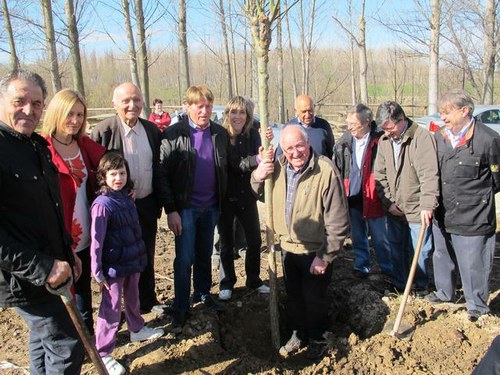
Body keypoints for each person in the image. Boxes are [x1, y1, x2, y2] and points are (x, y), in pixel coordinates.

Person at [0, 69, 85, 373]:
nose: (28, 110)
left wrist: (66, 251)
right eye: (19, 101)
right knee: (67, 346)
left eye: (36, 104)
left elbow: (49, 209)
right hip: (24, 277)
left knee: (42, 340)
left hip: (49, 264)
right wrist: (44, 266)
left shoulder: (35, 146)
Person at [251, 125, 349, 360]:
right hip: (287, 248)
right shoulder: (278, 167)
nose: (295, 153)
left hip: (314, 250)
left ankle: (318, 337)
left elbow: (338, 220)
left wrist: (325, 256)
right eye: (289, 148)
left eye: (299, 146)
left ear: (308, 144)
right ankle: (298, 334)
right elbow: (258, 191)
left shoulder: (325, 170)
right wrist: (258, 175)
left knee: (314, 298)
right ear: (282, 149)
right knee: (293, 295)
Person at [158, 85, 228, 332]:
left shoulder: (219, 134)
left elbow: (229, 166)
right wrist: (171, 209)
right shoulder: (174, 134)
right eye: (200, 106)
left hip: (211, 207)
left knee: (204, 253)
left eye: (208, 106)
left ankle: (203, 293)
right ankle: (180, 306)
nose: (205, 110)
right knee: (184, 258)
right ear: (187, 107)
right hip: (185, 208)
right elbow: (162, 174)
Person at [426, 89, 500, 322]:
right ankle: (445, 293)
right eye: (441, 112)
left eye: (447, 112)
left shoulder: (488, 139)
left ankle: (477, 306)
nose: (442, 117)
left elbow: (496, 180)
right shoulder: (439, 137)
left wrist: (477, 199)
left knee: (473, 262)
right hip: (443, 212)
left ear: (465, 110)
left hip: (474, 215)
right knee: (442, 255)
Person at [91, 82, 162, 314]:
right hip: (116, 210)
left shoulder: (151, 130)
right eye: (126, 101)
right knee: (117, 259)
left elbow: (158, 167)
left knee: (145, 254)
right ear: (114, 104)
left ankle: (147, 301)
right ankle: (116, 310)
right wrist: (114, 196)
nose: (133, 105)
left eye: (137, 100)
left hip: (146, 205)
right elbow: (96, 173)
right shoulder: (103, 131)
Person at [91, 152, 164, 375]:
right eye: (113, 174)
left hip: (132, 260)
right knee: (111, 308)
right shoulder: (102, 205)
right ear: (103, 176)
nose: (118, 178)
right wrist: (97, 271)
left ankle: (136, 328)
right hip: (113, 266)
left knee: (133, 297)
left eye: (122, 173)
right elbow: (96, 241)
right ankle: (103, 352)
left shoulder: (127, 197)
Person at [41, 88, 106, 335]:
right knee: (63, 294)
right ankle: (68, 337)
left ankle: (85, 338)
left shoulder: (82, 144)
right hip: (60, 232)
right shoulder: (43, 148)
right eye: (70, 114)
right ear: (57, 113)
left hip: (86, 230)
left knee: (83, 290)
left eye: (80, 115)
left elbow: (111, 161)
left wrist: (126, 186)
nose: (75, 120)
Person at [373, 101, 439, 295]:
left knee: (421, 252)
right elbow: (380, 176)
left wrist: (427, 205)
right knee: (396, 248)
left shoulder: (421, 138)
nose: (387, 132)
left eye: (389, 127)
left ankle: (420, 286)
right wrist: (389, 203)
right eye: (383, 129)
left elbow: (429, 175)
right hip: (395, 208)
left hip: (418, 208)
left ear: (401, 120)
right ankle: (400, 284)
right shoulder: (385, 142)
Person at [218, 96, 271, 301]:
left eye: (241, 112)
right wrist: (257, 159)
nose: (237, 116)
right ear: (227, 114)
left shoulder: (252, 135)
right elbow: (235, 164)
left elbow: (261, 152)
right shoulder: (221, 135)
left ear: (247, 116)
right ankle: (226, 282)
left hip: (247, 195)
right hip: (225, 196)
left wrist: (265, 140)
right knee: (226, 243)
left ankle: (254, 279)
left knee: (254, 240)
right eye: (233, 112)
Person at [333, 104, 392, 278]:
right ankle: (362, 265)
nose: (349, 127)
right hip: (353, 195)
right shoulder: (344, 142)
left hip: (374, 195)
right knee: (358, 235)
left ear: (367, 122)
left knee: (380, 236)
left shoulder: (380, 141)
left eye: (354, 123)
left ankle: (387, 267)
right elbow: (338, 167)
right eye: (348, 123)